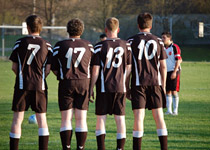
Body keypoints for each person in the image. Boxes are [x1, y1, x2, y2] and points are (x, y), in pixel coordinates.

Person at [9, 15, 52, 150]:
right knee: (42, 120)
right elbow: (48, 69)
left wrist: (24, 76)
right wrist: (39, 78)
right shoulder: (47, 45)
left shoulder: (19, 43)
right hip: (40, 86)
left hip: (22, 85)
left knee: (17, 119)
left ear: (27, 27)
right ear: (41, 28)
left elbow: (14, 67)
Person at [89, 17, 132, 150]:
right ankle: (120, 148)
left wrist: (91, 88)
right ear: (118, 30)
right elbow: (129, 67)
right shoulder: (126, 45)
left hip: (103, 88)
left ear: (105, 30)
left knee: (101, 119)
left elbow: (95, 70)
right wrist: (125, 83)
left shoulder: (99, 46)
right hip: (120, 87)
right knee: (120, 119)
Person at [127, 13, 168, 150]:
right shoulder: (159, 41)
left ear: (138, 25)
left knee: (139, 117)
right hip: (156, 83)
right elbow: (163, 66)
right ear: (151, 25)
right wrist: (163, 85)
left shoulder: (130, 41)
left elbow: (129, 67)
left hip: (138, 83)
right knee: (159, 117)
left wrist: (126, 85)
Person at [51, 18, 94, 150]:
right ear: (82, 30)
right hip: (84, 83)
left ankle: (67, 147)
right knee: (81, 119)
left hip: (66, 83)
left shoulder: (60, 45)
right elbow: (94, 67)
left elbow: (53, 66)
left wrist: (61, 75)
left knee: (66, 119)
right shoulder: (89, 45)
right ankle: (80, 147)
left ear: (67, 30)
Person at [161, 32, 182, 115]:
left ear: (169, 38)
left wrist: (174, 72)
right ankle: (169, 110)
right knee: (167, 91)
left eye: (164, 38)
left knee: (174, 91)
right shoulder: (163, 48)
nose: (162, 39)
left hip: (174, 71)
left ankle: (175, 111)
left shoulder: (174, 47)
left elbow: (178, 60)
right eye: (162, 38)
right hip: (165, 71)